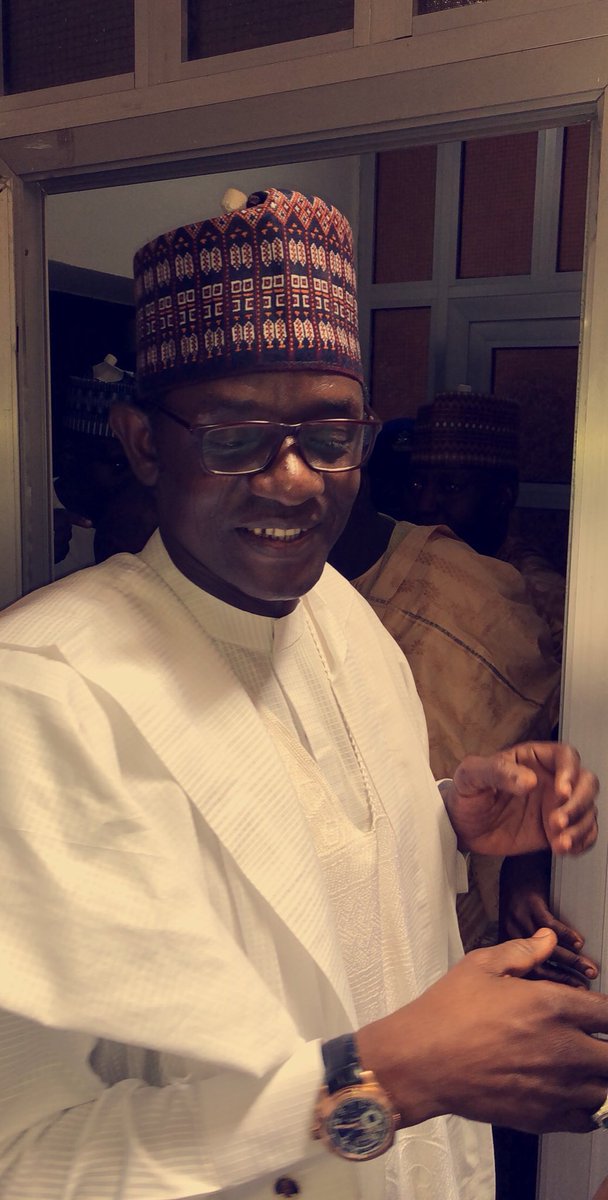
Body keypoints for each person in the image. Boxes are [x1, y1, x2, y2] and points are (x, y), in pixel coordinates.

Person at [0, 186, 603, 1200]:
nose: (293, 480)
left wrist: (444, 816)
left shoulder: (340, 617)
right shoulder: (40, 693)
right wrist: (384, 1081)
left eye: (330, 436)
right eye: (234, 435)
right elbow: (22, 1158)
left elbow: (306, 887)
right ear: (144, 442)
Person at [403, 386, 565, 660]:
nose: (425, 504)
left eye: (451, 486)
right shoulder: (404, 564)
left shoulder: (540, 598)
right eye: (418, 485)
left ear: (502, 497)